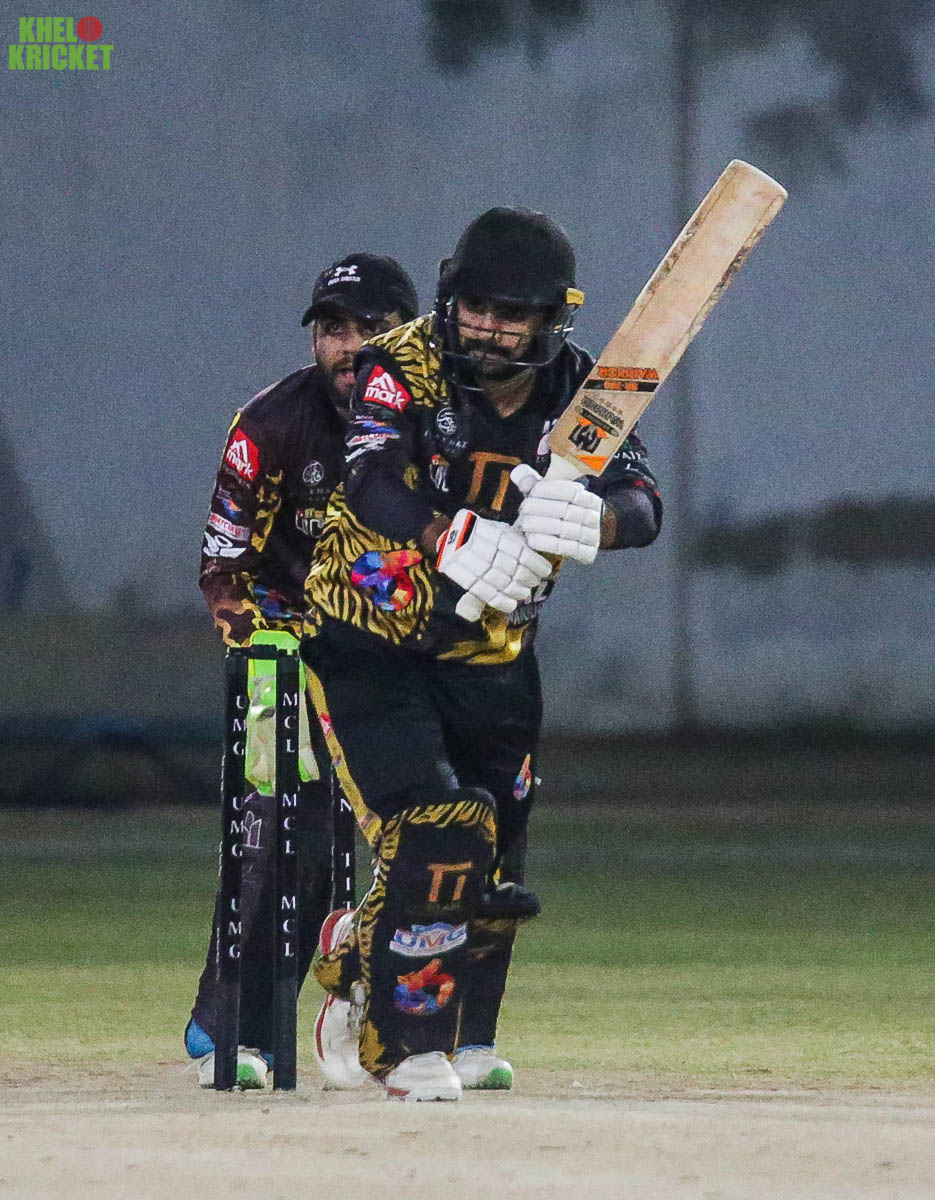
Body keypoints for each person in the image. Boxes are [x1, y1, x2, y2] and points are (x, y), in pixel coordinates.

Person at [301, 207, 662, 1101]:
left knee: (493, 857)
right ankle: (407, 1048)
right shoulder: (400, 364)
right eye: (476, 307)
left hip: (493, 656)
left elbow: (644, 502)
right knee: (439, 827)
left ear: (550, 318)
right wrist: (444, 533)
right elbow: (368, 475)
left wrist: (599, 520)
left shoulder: (588, 393)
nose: (489, 328)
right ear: (449, 297)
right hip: (367, 641)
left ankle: (449, 1022)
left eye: (512, 314)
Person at [186, 253, 418, 1088]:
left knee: (421, 838)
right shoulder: (269, 425)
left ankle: (411, 1030)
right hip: (281, 655)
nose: (349, 347)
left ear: (409, 332)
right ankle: (232, 1030)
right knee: (278, 836)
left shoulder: (438, 420)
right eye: (332, 329)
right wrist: (267, 646)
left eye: (370, 328)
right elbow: (223, 567)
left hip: (393, 656)